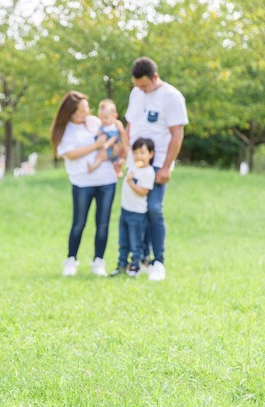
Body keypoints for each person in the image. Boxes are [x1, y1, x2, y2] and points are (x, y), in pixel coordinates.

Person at [123, 57, 188, 281]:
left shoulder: (171, 97)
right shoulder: (136, 93)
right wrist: (124, 156)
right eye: (137, 85)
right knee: (135, 211)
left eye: (144, 85)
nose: (140, 89)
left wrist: (166, 167)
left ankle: (158, 261)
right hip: (135, 162)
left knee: (153, 209)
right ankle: (140, 260)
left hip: (157, 162)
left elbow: (177, 134)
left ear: (155, 78)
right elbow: (130, 125)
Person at [51, 91, 118, 277]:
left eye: (86, 108)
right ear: (70, 113)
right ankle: (71, 260)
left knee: (102, 223)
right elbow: (70, 153)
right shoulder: (65, 130)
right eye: (80, 110)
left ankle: (99, 262)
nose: (85, 112)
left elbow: (114, 139)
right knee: (79, 223)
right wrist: (95, 147)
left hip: (106, 180)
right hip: (82, 181)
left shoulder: (96, 122)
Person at [110, 138, 155, 277]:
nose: (138, 156)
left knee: (136, 243)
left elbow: (143, 192)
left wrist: (130, 182)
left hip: (137, 213)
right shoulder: (132, 167)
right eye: (135, 153)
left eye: (142, 152)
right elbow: (125, 144)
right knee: (123, 241)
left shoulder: (148, 172)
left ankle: (135, 266)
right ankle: (121, 264)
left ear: (151, 154)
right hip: (125, 210)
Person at [87, 99, 127, 178]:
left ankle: (93, 167)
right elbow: (98, 133)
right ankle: (117, 171)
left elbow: (115, 137)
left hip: (111, 147)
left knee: (100, 158)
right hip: (107, 148)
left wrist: (108, 144)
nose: (103, 121)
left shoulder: (115, 126)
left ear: (114, 116)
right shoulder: (103, 126)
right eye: (101, 118)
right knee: (102, 158)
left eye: (106, 118)